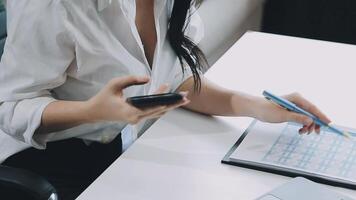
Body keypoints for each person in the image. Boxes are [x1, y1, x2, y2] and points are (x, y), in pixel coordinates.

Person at [0, 0, 330, 199]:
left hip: (121, 153)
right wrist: (91, 111)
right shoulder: (55, 5)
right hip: (45, 164)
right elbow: (11, 107)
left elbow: (176, 81)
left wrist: (256, 107)